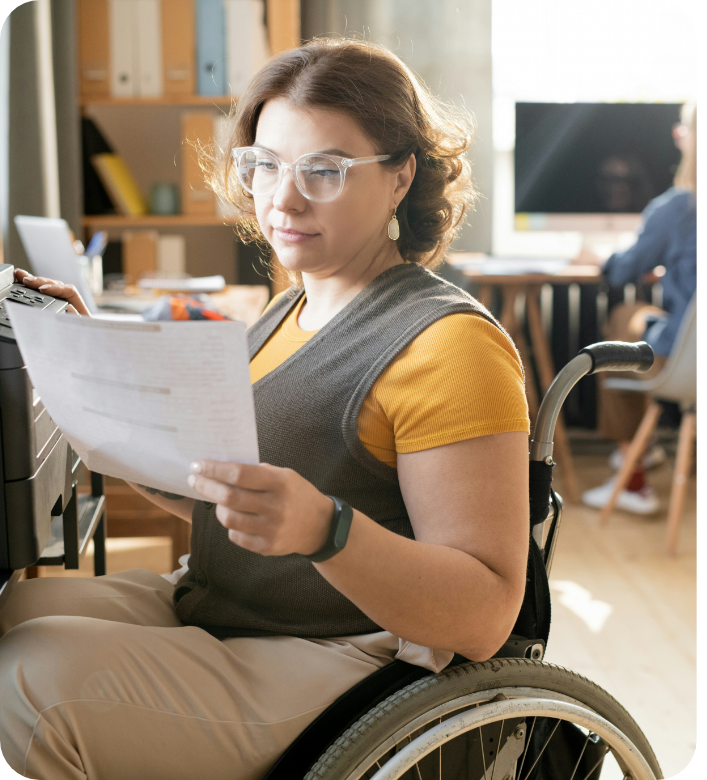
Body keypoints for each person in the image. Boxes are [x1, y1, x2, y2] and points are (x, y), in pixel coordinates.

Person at [0, 38, 532, 777]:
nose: (281, 198)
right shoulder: (288, 311)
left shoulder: (452, 347)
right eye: (264, 164)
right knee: (15, 616)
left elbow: (483, 614)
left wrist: (326, 529)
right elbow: (232, 500)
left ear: (401, 176)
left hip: (344, 655)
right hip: (235, 605)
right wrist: (92, 371)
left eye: (324, 171)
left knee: (28, 684)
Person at [582, 97, 699, 515]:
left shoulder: (676, 207)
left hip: (682, 360)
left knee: (621, 319)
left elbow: (622, 272)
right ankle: (642, 450)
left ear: (683, 137)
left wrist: (600, 260)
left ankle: (634, 473)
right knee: (640, 319)